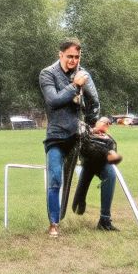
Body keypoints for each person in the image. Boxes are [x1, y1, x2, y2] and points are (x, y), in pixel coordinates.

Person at [38, 39, 117, 237]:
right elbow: (54, 101)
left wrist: (94, 125)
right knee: (56, 177)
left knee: (110, 172)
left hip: (80, 135)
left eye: (77, 57)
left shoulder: (84, 74)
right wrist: (75, 85)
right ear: (60, 55)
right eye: (70, 56)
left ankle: (105, 220)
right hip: (57, 136)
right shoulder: (47, 74)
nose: (74, 60)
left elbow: (95, 102)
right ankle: (54, 223)